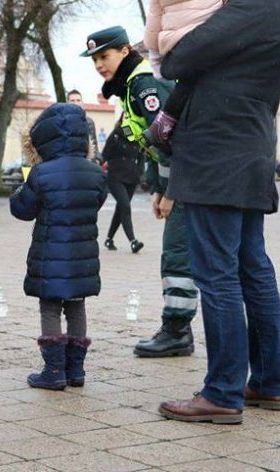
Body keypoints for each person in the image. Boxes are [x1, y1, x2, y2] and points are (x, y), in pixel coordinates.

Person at [157, 0, 280, 424]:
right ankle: (270, 382)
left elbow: (182, 58)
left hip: (217, 151)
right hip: (250, 146)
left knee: (218, 275)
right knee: (253, 271)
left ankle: (223, 391)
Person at [84, 26, 199, 358]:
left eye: (104, 56)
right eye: (94, 60)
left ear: (124, 51)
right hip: (181, 181)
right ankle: (180, 329)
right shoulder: (132, 86)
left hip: (188, 182)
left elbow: (176, 138)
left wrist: (171, 191)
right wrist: (156, 188)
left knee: (177, 254)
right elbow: (154, 144)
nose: (99, 65)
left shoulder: (144, 85)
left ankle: (177, 331)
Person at [10, 103, 107, 390]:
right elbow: (97, 203)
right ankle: (76, 370)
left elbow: (22, 209)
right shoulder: (95, 173)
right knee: (77, 307)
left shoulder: (42, 173)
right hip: (83, 257)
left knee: (50, 308)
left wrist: (21, 186)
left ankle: (54, 370)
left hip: (51, 256)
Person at [141, 0, 238, 149]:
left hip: (175, 46)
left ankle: (163, 124)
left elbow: (154, 18)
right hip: (208, 40)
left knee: (187, 82)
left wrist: (154, 53)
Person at [100, 122, 144, 253]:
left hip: (131, 178)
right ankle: (133, 241)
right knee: (125, 205)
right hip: (115, 178)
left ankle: (109, 238)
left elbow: (141, 156)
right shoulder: (116, 136)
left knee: (121, 209)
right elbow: (104, 155)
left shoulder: (138, 136)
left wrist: (139, 172)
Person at [66, 89, 101, 163]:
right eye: (72, 100)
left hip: (86, 162)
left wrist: (97, 160)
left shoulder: (89, 122)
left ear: (82, 102)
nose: (76, 103)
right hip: (68, 161)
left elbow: (94, 147)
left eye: (78, 100)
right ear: (67, 103)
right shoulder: (61, 121)